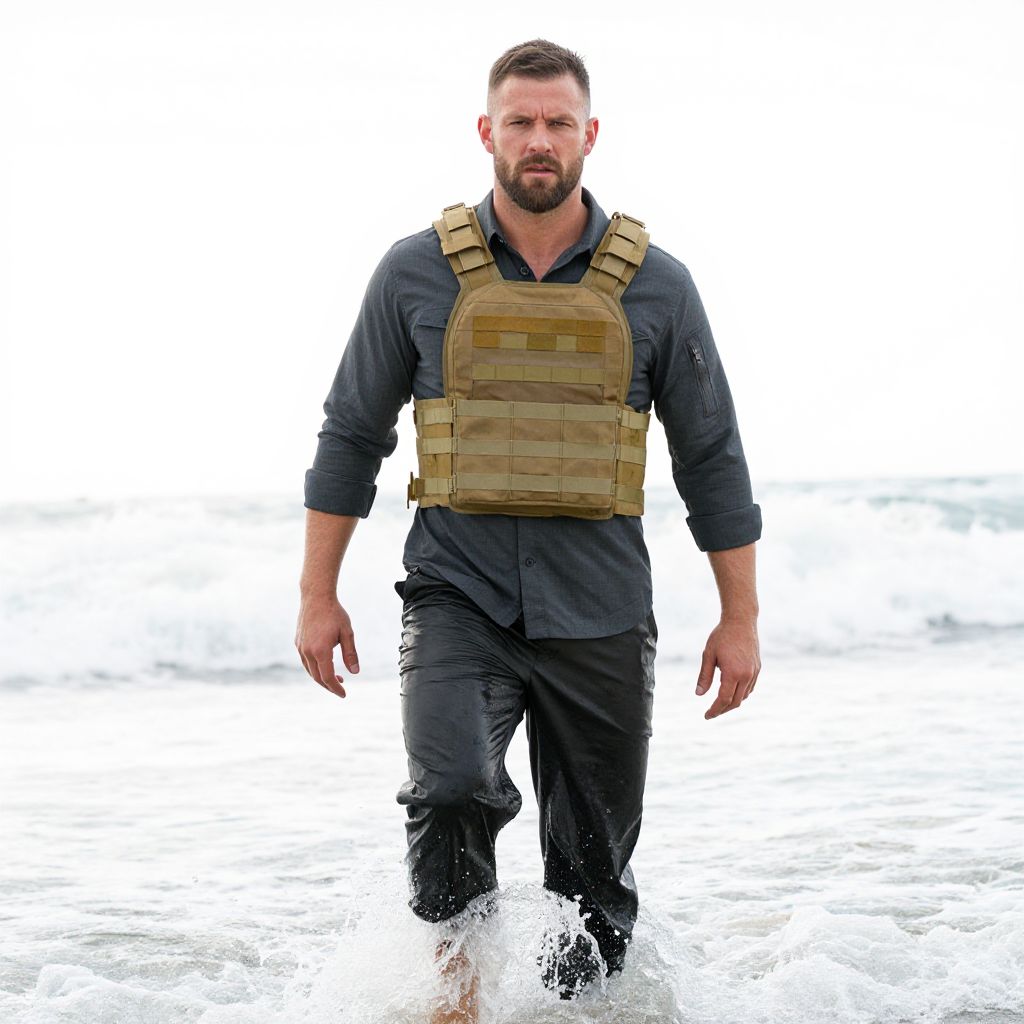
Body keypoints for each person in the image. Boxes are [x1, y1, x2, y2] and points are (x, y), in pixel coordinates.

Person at [296, 39, 762, 1022]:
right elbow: (350, 434)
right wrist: (316, 592)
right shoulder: (414, 273)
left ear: (589, 135)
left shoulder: (658, 284)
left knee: (593, 872)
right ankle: (456, 997)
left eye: (558, 123)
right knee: (452, 786)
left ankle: (576, 1010)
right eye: (521, 121)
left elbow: (710, 454)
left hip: (598, 608)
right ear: (487, 132)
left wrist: (739, 616)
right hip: (456, 592)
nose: (539, 140)